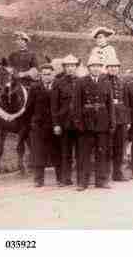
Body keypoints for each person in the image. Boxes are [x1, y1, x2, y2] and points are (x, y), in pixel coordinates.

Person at [73, 55, 115, 191]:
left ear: (101, 68)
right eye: (93, 66)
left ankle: (101, 181)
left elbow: (110, 105)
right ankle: (82, 182)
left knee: (102, 153)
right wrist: (78, 122)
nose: (96, 68)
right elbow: (76, 104)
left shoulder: (106, 83)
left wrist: (112, 122)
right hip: (86, 123)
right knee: (84, 154)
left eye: (98, 66)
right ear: (88, 68)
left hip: (102, 122)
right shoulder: (80, 82)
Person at [8, 31, 39, 175]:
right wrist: (12, 73)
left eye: (22, 40)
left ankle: (34, 118)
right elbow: (8, 68)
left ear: (26, 42)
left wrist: (24, 74)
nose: (19, 42)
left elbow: (35, 71)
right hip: (15, 83)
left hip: (27, 84)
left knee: (35, 98)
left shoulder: (32, 55)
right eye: (17, 40)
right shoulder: (12, 55)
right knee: (4, 94)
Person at [28, 63, 61, 187]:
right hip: (39, 125)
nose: (46, 77)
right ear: (40, 76)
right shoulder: (34, 88)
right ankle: (38, 180)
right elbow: (29, 108)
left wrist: (58, 124)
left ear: (53, 75)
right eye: (44, 75)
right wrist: (32, 123)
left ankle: (60, 178)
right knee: (38, 152)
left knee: (56, 151)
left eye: (49, 74)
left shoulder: (58, 87)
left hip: (55, 126)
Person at [51, 54, 81, 187]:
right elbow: (54, 105)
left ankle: (81, 179)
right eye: (68, 66)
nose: (70, 68)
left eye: (73, 66)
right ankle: (65, 178)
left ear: (76, 67)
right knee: (65, 152)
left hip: (80, 124)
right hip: (64, 123)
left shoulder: (82, 81)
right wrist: (56, 124)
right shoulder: (58, 83)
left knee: (81, 152)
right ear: (64, 67)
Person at [101, 56, 131, 182]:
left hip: (121, 118)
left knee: (120, 147)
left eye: (115, 66)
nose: (113, 69)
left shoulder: (122, 82)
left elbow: (127, 102)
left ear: (118, 68)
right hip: (108, 119)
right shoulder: (102, 81)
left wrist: (128, 120)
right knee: (107, 147)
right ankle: (106, 174)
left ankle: (118, 173)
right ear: (107, 68)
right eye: (111, 66)